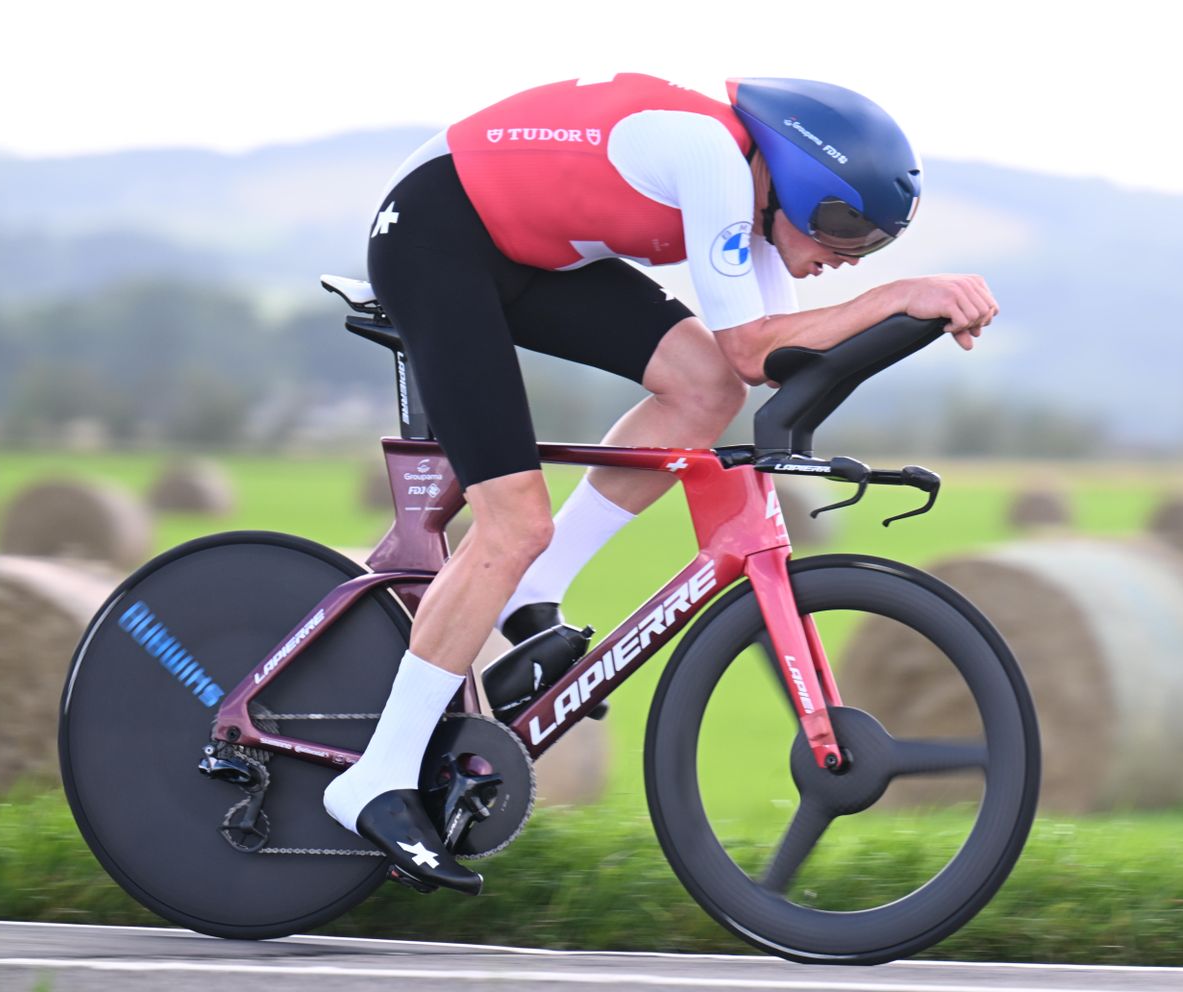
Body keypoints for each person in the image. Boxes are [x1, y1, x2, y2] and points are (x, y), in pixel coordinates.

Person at [322, 74, 999, 892]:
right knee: (511, 521)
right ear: (799, 182)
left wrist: (908, 324)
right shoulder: (711, 157)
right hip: (439, 233)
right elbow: (758, 345)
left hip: (523, 250)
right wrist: (898, 295)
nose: (846, 258)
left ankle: (527, 589)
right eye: (846, 231)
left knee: (703, 387)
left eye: (874, 247)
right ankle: (376, 777)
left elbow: (766, 366)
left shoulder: (755, 201)